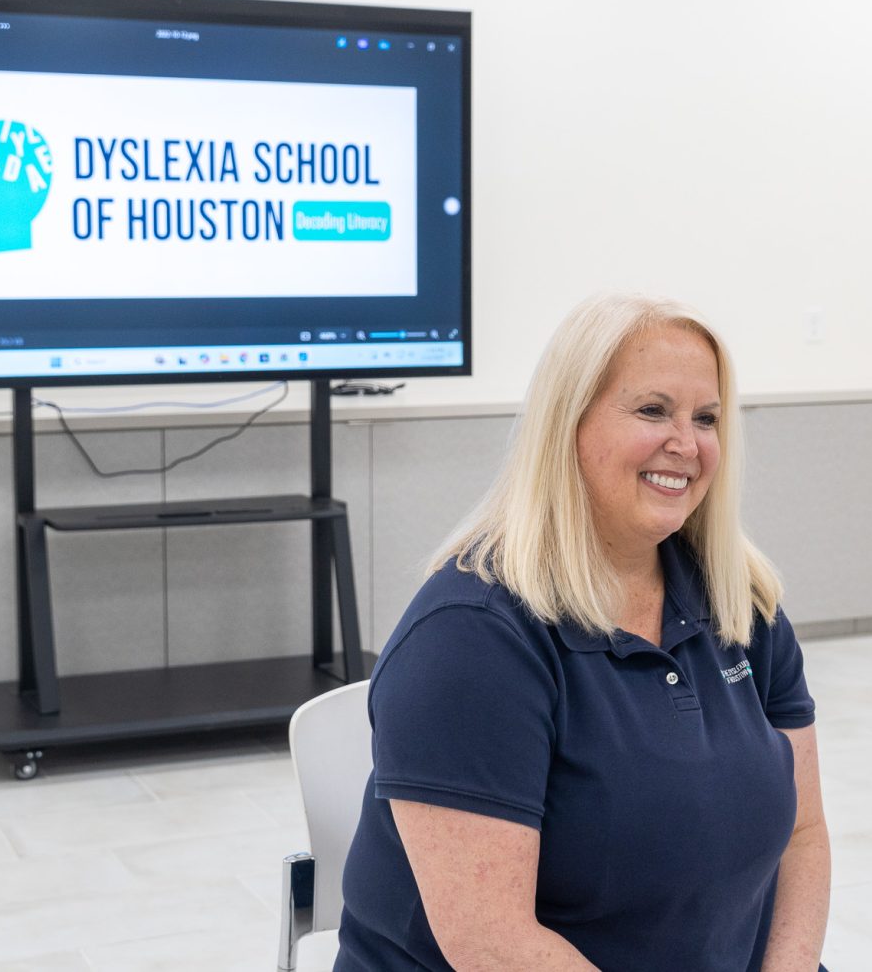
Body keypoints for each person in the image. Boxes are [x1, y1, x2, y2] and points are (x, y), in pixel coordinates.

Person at [335, 293, 830, 971]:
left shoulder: (741, 601)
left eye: (706, 417)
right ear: (568, 423)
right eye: (653, 410)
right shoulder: (470, 637)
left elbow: (803, 834)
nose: (686, 444)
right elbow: (493, 944)